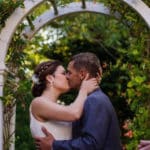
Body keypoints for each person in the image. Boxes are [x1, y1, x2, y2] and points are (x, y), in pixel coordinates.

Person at [35, 52, 122, 150]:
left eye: (69, 72)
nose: (67, 76)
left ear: (82, 74)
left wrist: (54, 145)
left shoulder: (94, 100)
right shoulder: (90, 99)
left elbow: (91, 144)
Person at [30, 60, 98, 140]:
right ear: (50, 78)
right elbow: (74, 114)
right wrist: (84, 90)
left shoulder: (61, 107)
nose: (67, 77)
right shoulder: (38, 103)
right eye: (63, 73)